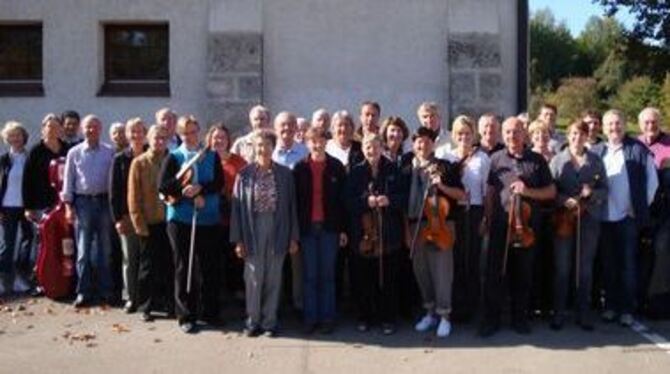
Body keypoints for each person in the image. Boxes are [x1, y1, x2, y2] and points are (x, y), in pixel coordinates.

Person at [479, 117, 556, 337]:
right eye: (508, 132)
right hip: (500, 225)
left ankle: (519, 319)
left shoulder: (537, 160)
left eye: (516, 131)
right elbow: (491, 192)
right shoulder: (496, 159)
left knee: (522, 274)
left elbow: (551, 192)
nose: (512, 136)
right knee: (494, 274)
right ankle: (491, 320)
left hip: (527, 228)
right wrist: (486, 218)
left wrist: (527, 191)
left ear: (524, 134)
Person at [591, 109, 658, 326]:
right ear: (603, 127)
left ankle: (627, 309)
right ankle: (611, 306)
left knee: (628, 265)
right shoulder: (597, 151)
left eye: (618, 123)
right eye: (610, 124)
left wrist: (638, 208)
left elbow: (652, 183)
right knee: (608, 265)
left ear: (625, 124)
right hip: (603, 217)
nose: (614, 128)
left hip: (627, 218)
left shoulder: (638, 150)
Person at [230, 130, 299, 337]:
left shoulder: (285, 174)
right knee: (253, 276)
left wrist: (293, 237)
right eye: (259, 145)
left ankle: (269, 322)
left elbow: (292, 207)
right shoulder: (244, 175)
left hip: (278, 227)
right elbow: (236, 209)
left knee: (274, 276)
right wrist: (238, 239)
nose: (263, 149)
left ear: (273, 147)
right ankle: (252, 321)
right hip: (252, 228)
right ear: (253, 148)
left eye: (268, 145)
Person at [159, 115, 224, 333]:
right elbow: (164, 186)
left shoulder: (211, 156)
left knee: (209, 267)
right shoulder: (174, 157)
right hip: (181, 219)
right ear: (179, 134)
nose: (190, 136)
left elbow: (219, 182)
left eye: (194, 131)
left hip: (208, 218)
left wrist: (201, 189)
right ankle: (186, 314)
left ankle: (210, 312)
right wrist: (185, 192)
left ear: (199, 132)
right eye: (186, 133)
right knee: (183, 267)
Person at [345, 134, 407, 335]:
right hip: (362, 236)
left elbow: (404, 197)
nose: (372, 151)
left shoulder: (393, 169)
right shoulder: (355, 172)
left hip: (389, 233)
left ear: (382, 148)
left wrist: (389, 200)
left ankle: (387, 318)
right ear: (362, 149)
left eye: (375, 147)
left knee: (388, 279)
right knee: (363, 279)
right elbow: (346, 201)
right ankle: (365, 316)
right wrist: (366, 202)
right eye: (368, 147)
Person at [406, 127, 465, 338]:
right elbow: (403, 203)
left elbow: (461, 195)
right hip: (415, 225)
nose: (422, 145)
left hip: (441, 224)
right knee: (422, 273)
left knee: (442, 273)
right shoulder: (407, 168)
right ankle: (429, 312)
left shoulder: (444, 166)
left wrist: (442, 185)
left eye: (426, 141)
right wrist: (407, 230)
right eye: (418, 142)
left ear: (433, 144)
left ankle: (445, 316)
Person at [549, 121, 608, 330]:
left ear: (586, 136)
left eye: (581, 134)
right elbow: (551, 190)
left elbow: (604, 190)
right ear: (568, 135)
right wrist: (563, 200)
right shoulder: (557, 160)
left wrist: (591, 194)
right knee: (562, 268)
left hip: (588, 219)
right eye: (573, 133)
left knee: (584, 269)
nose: (577, 137)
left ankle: (583, 313)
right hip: (564, 219)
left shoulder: (595, 160)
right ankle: (559, 312)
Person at [293, 127, 347, 334]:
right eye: (312, 141)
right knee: (310, 275)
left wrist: (342, 230)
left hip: (329, 228)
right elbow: (295, 203)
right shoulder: (300, 168)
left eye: (320, 140)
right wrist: (294, 232)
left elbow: (342, 202)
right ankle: (310, 318)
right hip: (307, 229)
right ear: (306, 143)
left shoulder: (336, 167)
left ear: (326, 141)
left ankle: (327, 318)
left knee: (327, 275)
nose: (317, 144)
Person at [62, 115, 116, 307]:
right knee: (83, 250)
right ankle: (83, 292)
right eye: (87, 127)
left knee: (105, 248)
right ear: (82, 130)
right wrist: (68, 206)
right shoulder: (74, 153)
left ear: (100, 129)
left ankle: (106, 291)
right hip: (82, 203)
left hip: (103, 202)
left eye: (94, 127)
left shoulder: (110, 152)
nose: (91, 130)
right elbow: (68, 181)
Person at [441, 115, 491, 322]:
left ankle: (472, 307)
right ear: (454, 135)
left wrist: (486, 218)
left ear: (474, 135)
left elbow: (487, 192)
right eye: (460, 133)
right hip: (453, 213)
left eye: (467, 133)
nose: (464, 137)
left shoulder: (482, 159)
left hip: (475, 212)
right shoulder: (447, 157)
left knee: (472, 260)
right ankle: (456, 307)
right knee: (455, 261)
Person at [128, 124, 175, 322]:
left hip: (170, 222)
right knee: (147, 268)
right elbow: (133, 195)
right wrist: (139, 223)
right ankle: (145, 306)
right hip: (149, 222)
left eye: (163, 138)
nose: (160, 142)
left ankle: (171, 305)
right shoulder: (139, 163)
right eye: (156, 138)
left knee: (170, 266)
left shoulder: (172, 161)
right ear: (149, 139)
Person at [271, 112, 308, 313]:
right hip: (273, 218)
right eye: (282, 126)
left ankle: (299, 305)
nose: (286, 129)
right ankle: (274, 307)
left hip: (297, 217)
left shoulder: (305, 152)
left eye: (290, 125)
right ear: (276, 129)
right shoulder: (270, 153)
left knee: (297, 266)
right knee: (275, 266)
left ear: (296, 129)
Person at [109, 118, 147, 313]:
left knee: (148, 259)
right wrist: (117, 218)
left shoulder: (153, 154)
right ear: (128, 135)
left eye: (140, 131)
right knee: (130, 259)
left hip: (150, 216)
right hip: (127, 216)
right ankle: (131, 297)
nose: (137, 135)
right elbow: (114, 192)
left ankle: (148, 298)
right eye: (133, 132)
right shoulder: (120, 159)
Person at [206, 123, 247, 302]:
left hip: (233, 216)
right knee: (212, 257)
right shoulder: (204, 159)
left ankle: (236, 289)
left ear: (228, 140)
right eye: (215, 137)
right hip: (210, 216)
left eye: (222, 137)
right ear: (209, 139)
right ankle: (215, 294)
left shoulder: (238, 162)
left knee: (234, 257)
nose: (219, 141)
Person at [637, 107, 670, 317]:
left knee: (661, 251)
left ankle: (657, 303)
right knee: (640, 256)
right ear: (640, 124)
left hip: (665, 210)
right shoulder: (635, 144)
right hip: (641, 210)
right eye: (647, 122)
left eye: (654, 122)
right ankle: (639, 300)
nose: (651, 126)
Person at [0, 121, 33, 295]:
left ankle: (21, 277)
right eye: (11, 135)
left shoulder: (29, 158)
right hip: (7, 207)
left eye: (18, 135)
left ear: (23, 138)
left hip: (26, 207)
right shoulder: (4, 160)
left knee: (27, 241)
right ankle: (4, 279)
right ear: (7, 138)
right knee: (8, 244)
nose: (15, 139)